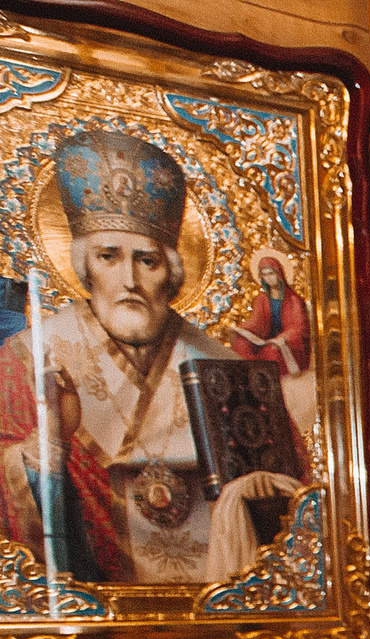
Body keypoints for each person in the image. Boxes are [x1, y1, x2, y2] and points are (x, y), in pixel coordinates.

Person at [0, 129, 239, 582]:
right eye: (109, 257)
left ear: (170, 270)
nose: (129, 279)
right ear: (83, 266)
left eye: (146, 260)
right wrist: (46, 447)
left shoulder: (221, 364)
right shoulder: (24, 359)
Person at [227, 252, 311, 377]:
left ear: (279, 274)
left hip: (288, 344)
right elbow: (256, 323)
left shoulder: (293, 299)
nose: (269, 278)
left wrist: (282, 338)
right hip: (266, 340)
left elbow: (299, 327)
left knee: (270, 352)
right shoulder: (261, 299)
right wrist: (241, 330)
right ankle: (248, 377)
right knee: (240, 344)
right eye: (265, 275)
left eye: (271, 273)